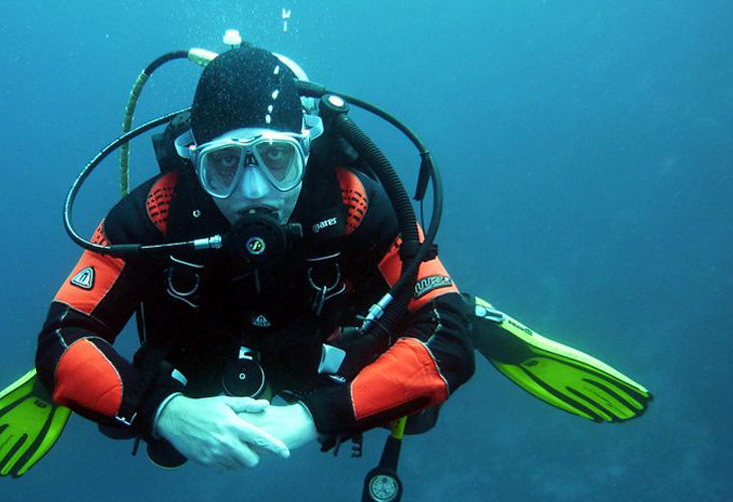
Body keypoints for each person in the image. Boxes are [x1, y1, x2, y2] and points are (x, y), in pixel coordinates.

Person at [32, 46, 475, 471]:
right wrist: (163, 412)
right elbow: (61, 335)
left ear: (306, 147)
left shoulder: (352, 201)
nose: (255, 191)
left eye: (277, 156)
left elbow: (448, 332)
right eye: (224, 164)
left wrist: (312, 417)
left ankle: (477, 312)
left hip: (325, 355)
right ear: (194, 161)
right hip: (199, 363)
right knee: (136, 429)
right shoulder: (157, 213)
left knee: (416, 413)